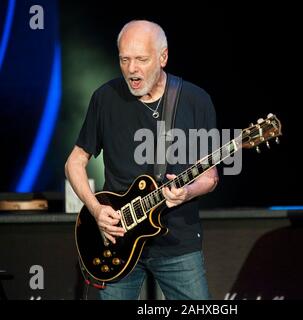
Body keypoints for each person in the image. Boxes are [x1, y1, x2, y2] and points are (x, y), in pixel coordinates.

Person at [65, 20, 219, 300]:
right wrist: (96, 209)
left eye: (141, 59)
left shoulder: (195, 101)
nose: (132, 69)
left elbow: (209, 177)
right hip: (115, 241)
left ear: (163, 57)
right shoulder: (105, 97)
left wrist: (187, 192)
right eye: (124, 60)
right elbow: (74, 162)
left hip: (177, 244)